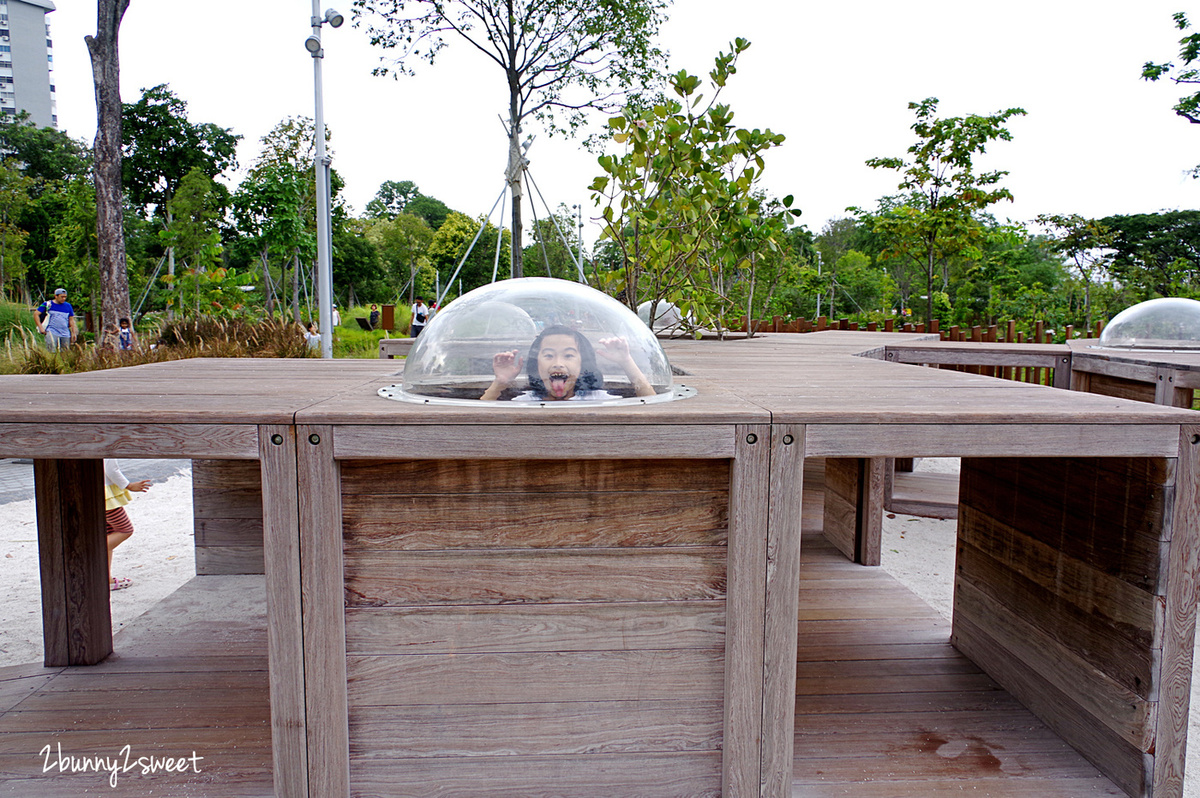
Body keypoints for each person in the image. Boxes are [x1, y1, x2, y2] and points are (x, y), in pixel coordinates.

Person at [482, 324, 655, 401]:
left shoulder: (597, 399)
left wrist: (626, 362)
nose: (558, 363)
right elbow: (478, 420)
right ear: (537, 364)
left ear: (583, 365)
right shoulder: (525, 402)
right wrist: (500, 383)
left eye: (569, 355)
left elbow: (651, 404)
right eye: (549, 355)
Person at [104, 460, 151, 591]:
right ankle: (93, 555)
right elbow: (110, 469)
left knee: (109, 533)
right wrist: (129, 486)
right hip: (106, 493)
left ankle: (106, 580)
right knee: (125, 530)